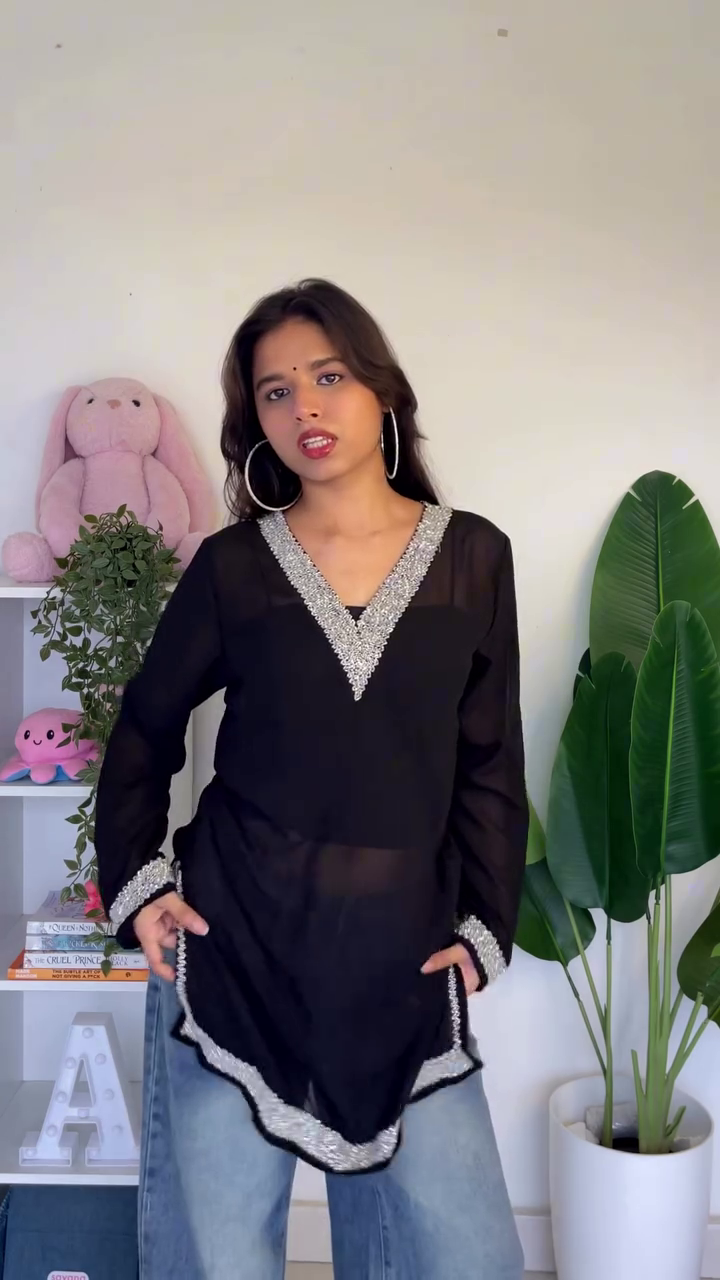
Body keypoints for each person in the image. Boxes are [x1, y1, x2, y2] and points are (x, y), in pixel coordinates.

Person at [95, 278, 529, 1280]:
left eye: (328, 377)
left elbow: (490, 764)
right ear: (257, 420)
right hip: (232, 950)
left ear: (383, 389)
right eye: (276, 391)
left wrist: (482, 927)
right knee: (223, 1260)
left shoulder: (473, 557)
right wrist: (142, 886)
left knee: (469, 1258)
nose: (306, 408)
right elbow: (145, 728)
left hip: (399, 963)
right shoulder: (234, 567)